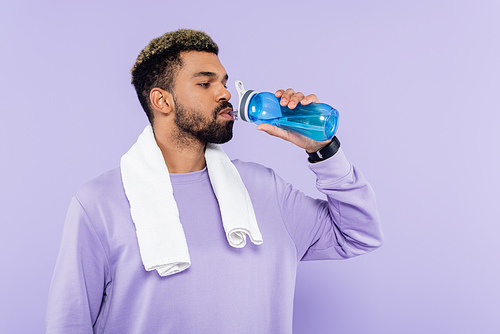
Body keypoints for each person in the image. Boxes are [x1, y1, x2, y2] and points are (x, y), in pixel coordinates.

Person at [46, 29, 383, 334]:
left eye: (224, 82)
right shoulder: (99, 204)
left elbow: (359, 234)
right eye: (206, 84)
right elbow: (69, 323)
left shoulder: (264, 188)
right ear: (161, 100)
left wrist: (322, 149)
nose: (225, 93)